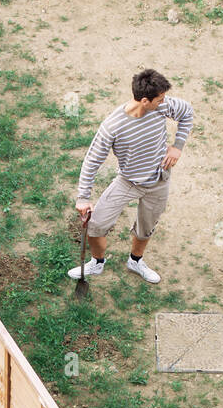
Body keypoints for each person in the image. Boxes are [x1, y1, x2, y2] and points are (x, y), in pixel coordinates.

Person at [71, 68, 194, 285]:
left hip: (159, 180)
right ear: (145, 100)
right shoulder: (113, 126)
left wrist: (177, 147)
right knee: (96, 225)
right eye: (160, 99)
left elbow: (187, 112)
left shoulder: (161, 107)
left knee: (146, 227)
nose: (164, 102)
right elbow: (92, 162)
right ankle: (97, 263)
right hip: (128, 182)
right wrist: (83, 197)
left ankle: (135, 261)